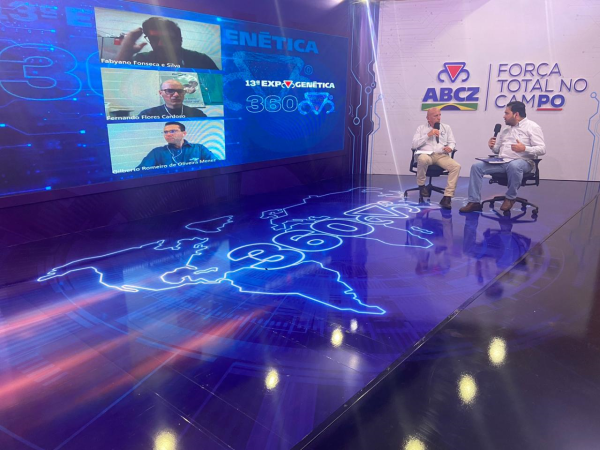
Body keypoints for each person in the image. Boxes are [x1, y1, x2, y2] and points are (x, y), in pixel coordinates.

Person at [460, 101, 546, 213]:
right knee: (477, 167)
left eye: (506, 113)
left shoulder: (532, 127)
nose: (504, 116)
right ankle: (474, 201)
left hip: (523, 162)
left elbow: (542, 149)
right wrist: (492, 147)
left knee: (514, 165)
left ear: (516, 114)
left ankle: (510, 197)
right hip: (502, 161)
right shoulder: (506, 130)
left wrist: (524, 148)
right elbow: (498, 150)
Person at [115, 17, 219, 70]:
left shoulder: (201, 60)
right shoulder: (141, 59)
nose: (161, 44)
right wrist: (125, 53)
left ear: (180, 39)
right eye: (154, 39)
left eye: (167, 39)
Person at [411, 107, 460, 209]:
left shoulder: (446, 127)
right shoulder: (421, 128)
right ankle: (421, 186)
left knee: (456, 166)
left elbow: (452, 142)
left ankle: (447, 197)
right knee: (422, 159)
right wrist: (428, 135)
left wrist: (450, 148)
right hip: (426, 154)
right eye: (436, 116)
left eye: (440, 115)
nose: (439, 118)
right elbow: (414, 145)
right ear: (428, 118)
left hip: (441, 155)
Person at [137, 122, 218, 168]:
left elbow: (216, 164)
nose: (168, 134)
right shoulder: (157, 152)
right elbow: (141, 171)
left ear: (184, 133)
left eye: (172, 131)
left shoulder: (199, 148)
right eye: (165, 132)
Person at [139, 79, 207, 118]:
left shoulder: (197, 114)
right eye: (170, 91)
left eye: (180, 91)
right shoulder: (147, 114)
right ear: (160, 93)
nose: (176, 95)